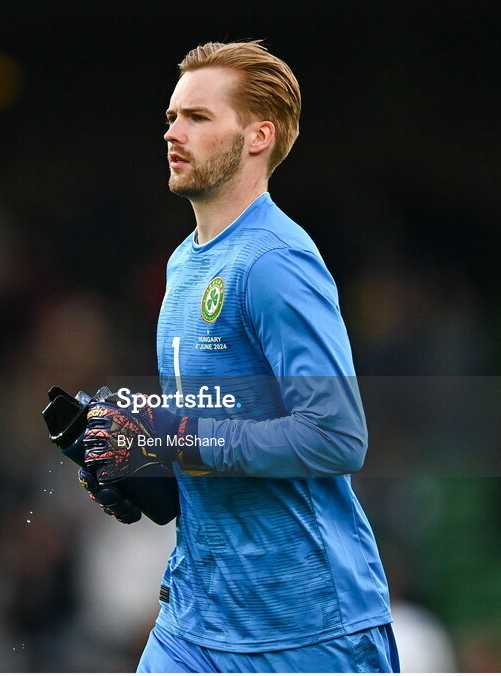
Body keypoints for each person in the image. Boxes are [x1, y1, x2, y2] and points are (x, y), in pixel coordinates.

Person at [79, 41, 398, 673]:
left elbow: (337, 437)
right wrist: (134, 458)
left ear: (258, 136)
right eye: (173, 117)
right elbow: (207, 427)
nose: (173, 132)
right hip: (195, 620)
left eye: (199, 118)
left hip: (306, 631)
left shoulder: (276, 261)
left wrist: (174, 438)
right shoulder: (181, 264)